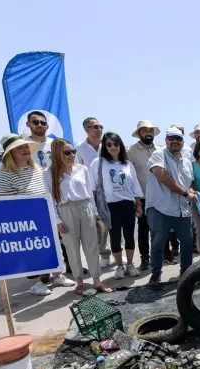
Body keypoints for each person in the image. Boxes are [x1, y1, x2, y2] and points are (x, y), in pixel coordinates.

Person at [0, 133, 73, 295]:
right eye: (19, 148)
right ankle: (35, 283)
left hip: (45, 215)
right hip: (24, 221)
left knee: (53, 247)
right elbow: (6, 205)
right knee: (31, 252)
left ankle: (58, 275)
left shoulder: (36, 167)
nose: (25, 150)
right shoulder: (4, 174)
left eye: (25, 146)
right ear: (10, 153)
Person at [44, 138, 111, 294]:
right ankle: (79, 282)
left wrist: (95, 215)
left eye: (73, 151)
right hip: (66, 210)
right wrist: (58, 221)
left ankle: (96, 280)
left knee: (92, 245)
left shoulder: (82, 169)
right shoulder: (50, 173)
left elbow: (89, 195)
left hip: (85, 207)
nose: (71, 155)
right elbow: (50, 199)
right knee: (72, 248)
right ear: (57, 154)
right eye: (67, 152)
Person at [90, 132, 143, 280]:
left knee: (130, 236)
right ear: (105, 147)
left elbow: (135, 186)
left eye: (116, 144)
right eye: (109, 144)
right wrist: (95, 210)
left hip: (128, 204)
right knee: (115, 237)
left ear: (120, 145)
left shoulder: (127, 164)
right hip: (109, 206)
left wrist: (138, 204)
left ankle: (130, 264)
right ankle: (119, 266)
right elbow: (93, 188)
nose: (113, 147)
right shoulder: (98, 163)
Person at [146, 127, 195, 284]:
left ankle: (186, 273)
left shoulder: (187, 162)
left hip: (182, 209)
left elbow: (189, 184)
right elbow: (162, 176)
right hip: (161, 207)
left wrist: (192, 193)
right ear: (166, 140)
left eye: (178, 138)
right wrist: (186, 194)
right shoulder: (158, 154)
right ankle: (156, 272)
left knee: (187, 241)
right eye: (171, 138)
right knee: (158, 241)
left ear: (183, 142)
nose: (175, 141)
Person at [127, 120, 166, 271]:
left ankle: (159, 256)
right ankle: (144, 258)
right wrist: (136, 199)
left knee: (160, 228)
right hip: (142, 196)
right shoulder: (131, 151)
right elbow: (130, 175)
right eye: (144, 131)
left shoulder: (161, 150)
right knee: (143, 229)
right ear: (139, 133)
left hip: (160, 195)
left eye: (150, 131)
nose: (148, 133)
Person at [76, 117, 111, 270]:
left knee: (114, 222)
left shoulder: (108, 146)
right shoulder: (80, 148)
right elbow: (77, 170)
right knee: (99, 225)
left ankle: (118, 250)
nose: (98, 129)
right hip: (92, 191)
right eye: (94, 126)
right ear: (86, 130)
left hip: (111, 190)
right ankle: (104, 254)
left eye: (100, 126)